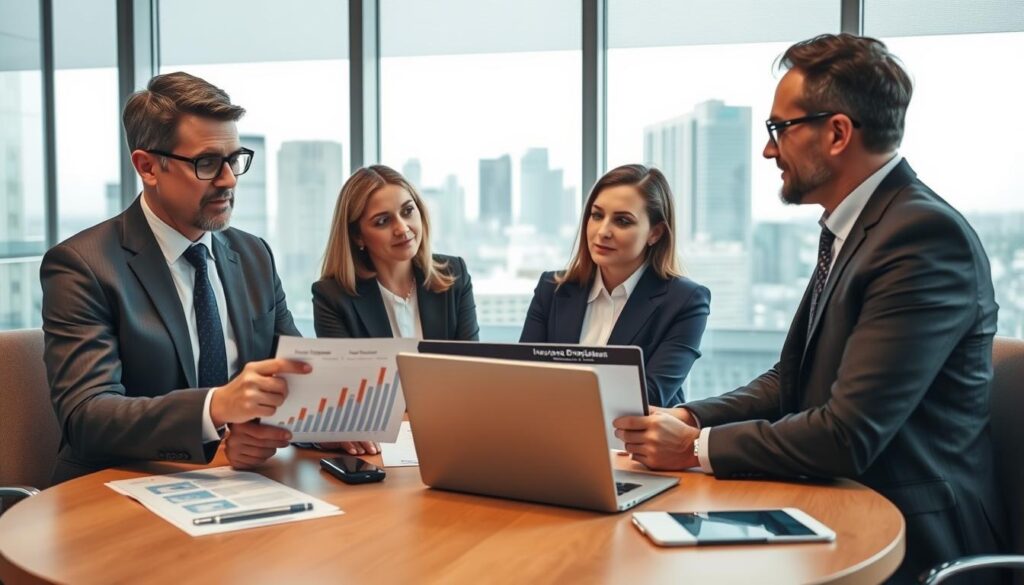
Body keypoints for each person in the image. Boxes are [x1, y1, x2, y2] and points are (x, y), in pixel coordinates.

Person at [613, 34, 1007, 583]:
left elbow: (849, 434)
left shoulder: (921, 237)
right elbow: (791, 379)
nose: (769, 150)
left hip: (911, 538)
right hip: (833, 506)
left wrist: (695, 449)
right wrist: (690, 416)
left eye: (780, 129)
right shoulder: (856, 229)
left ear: (838, 132)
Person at [41, 72, 308, 483]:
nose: (229, 179)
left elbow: (295, 372)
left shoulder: (254, 255)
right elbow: (87, 416)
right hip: (117, 490)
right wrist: (215, 409)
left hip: (239, 482)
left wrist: (327, 426)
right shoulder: (83, 265)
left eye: (234, 160)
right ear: (147, 167)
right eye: (206, 163)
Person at [312, 164, 479, 454]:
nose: (402, 228)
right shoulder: (333, 297)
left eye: (407, 211)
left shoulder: (454, 275)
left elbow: (472, 377)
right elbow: (348, 402)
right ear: (358, 237)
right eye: (382, 221)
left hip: (454, 438)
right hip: (380, 448)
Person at [520, 164, 710, 407]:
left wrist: (554, 393)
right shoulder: (552, 289)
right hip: (553, 437)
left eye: (622, 221)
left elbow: (647, 398)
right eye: (597, 215)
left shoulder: (686, 301)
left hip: (632, 442)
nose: (603, 232)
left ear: (655, 233)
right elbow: (525, 379)